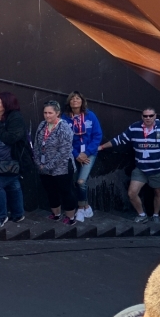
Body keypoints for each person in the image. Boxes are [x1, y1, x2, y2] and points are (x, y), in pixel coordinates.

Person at [99, 108, 160, 223]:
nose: (148, 118)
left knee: (158, 192)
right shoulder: (135, 127)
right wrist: (102, 147)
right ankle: (142, 214)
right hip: (141, 168)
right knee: (132, 193)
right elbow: (120, 139)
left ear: (155, 116)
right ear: (142, 116)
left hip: (158, 168)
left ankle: (155, 215)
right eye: (145, 116)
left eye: (150, 116)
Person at [0, 92, 28, 227]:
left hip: (9, 162)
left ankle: (0, 217)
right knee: (13, 186)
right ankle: (18, 214)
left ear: (6, 104)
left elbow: (10, 138)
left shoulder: (15, 118)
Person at [34, 100, 77, 226]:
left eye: (50, 113)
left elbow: (63, 152)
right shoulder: (42, 125)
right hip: (43, 166)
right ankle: (56, 214)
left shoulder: (64, 128)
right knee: (50, 190)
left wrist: (48, 166)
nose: (47, 115)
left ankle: (70, 217)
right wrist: (38, 162)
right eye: (45, 112)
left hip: (62, 167)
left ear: (57, 113)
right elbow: (36, 145)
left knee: (66, 191)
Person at [63, 92, 103, 223]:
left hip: (89, 154)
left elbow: (97, 135)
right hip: (73, 154)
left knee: (81, 181)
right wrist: (76, 154)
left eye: (78, 98)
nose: (75, 100)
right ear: (69, 102)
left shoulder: (90, 116)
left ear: (82, 101)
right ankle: (86, 206)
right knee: (74, 182)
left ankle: (80, 207)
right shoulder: (65, 118)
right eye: (72, 99)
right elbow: (64, 139)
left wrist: (86, 153)